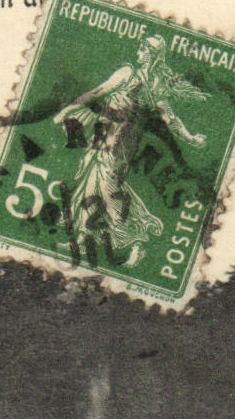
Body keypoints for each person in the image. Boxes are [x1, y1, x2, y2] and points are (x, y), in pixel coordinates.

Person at [52, 34, 208, 267]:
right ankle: (86, 237)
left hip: (120, 141)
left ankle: (133, 240)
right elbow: (99, 93)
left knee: (106, 185)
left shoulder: (138, 78)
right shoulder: (145, 80)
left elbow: (169, 117)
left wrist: (190, 138)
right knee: (94, 182)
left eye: (142, 48)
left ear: (151, 55)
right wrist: (70, 109)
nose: (138, 52)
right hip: (107, 134)